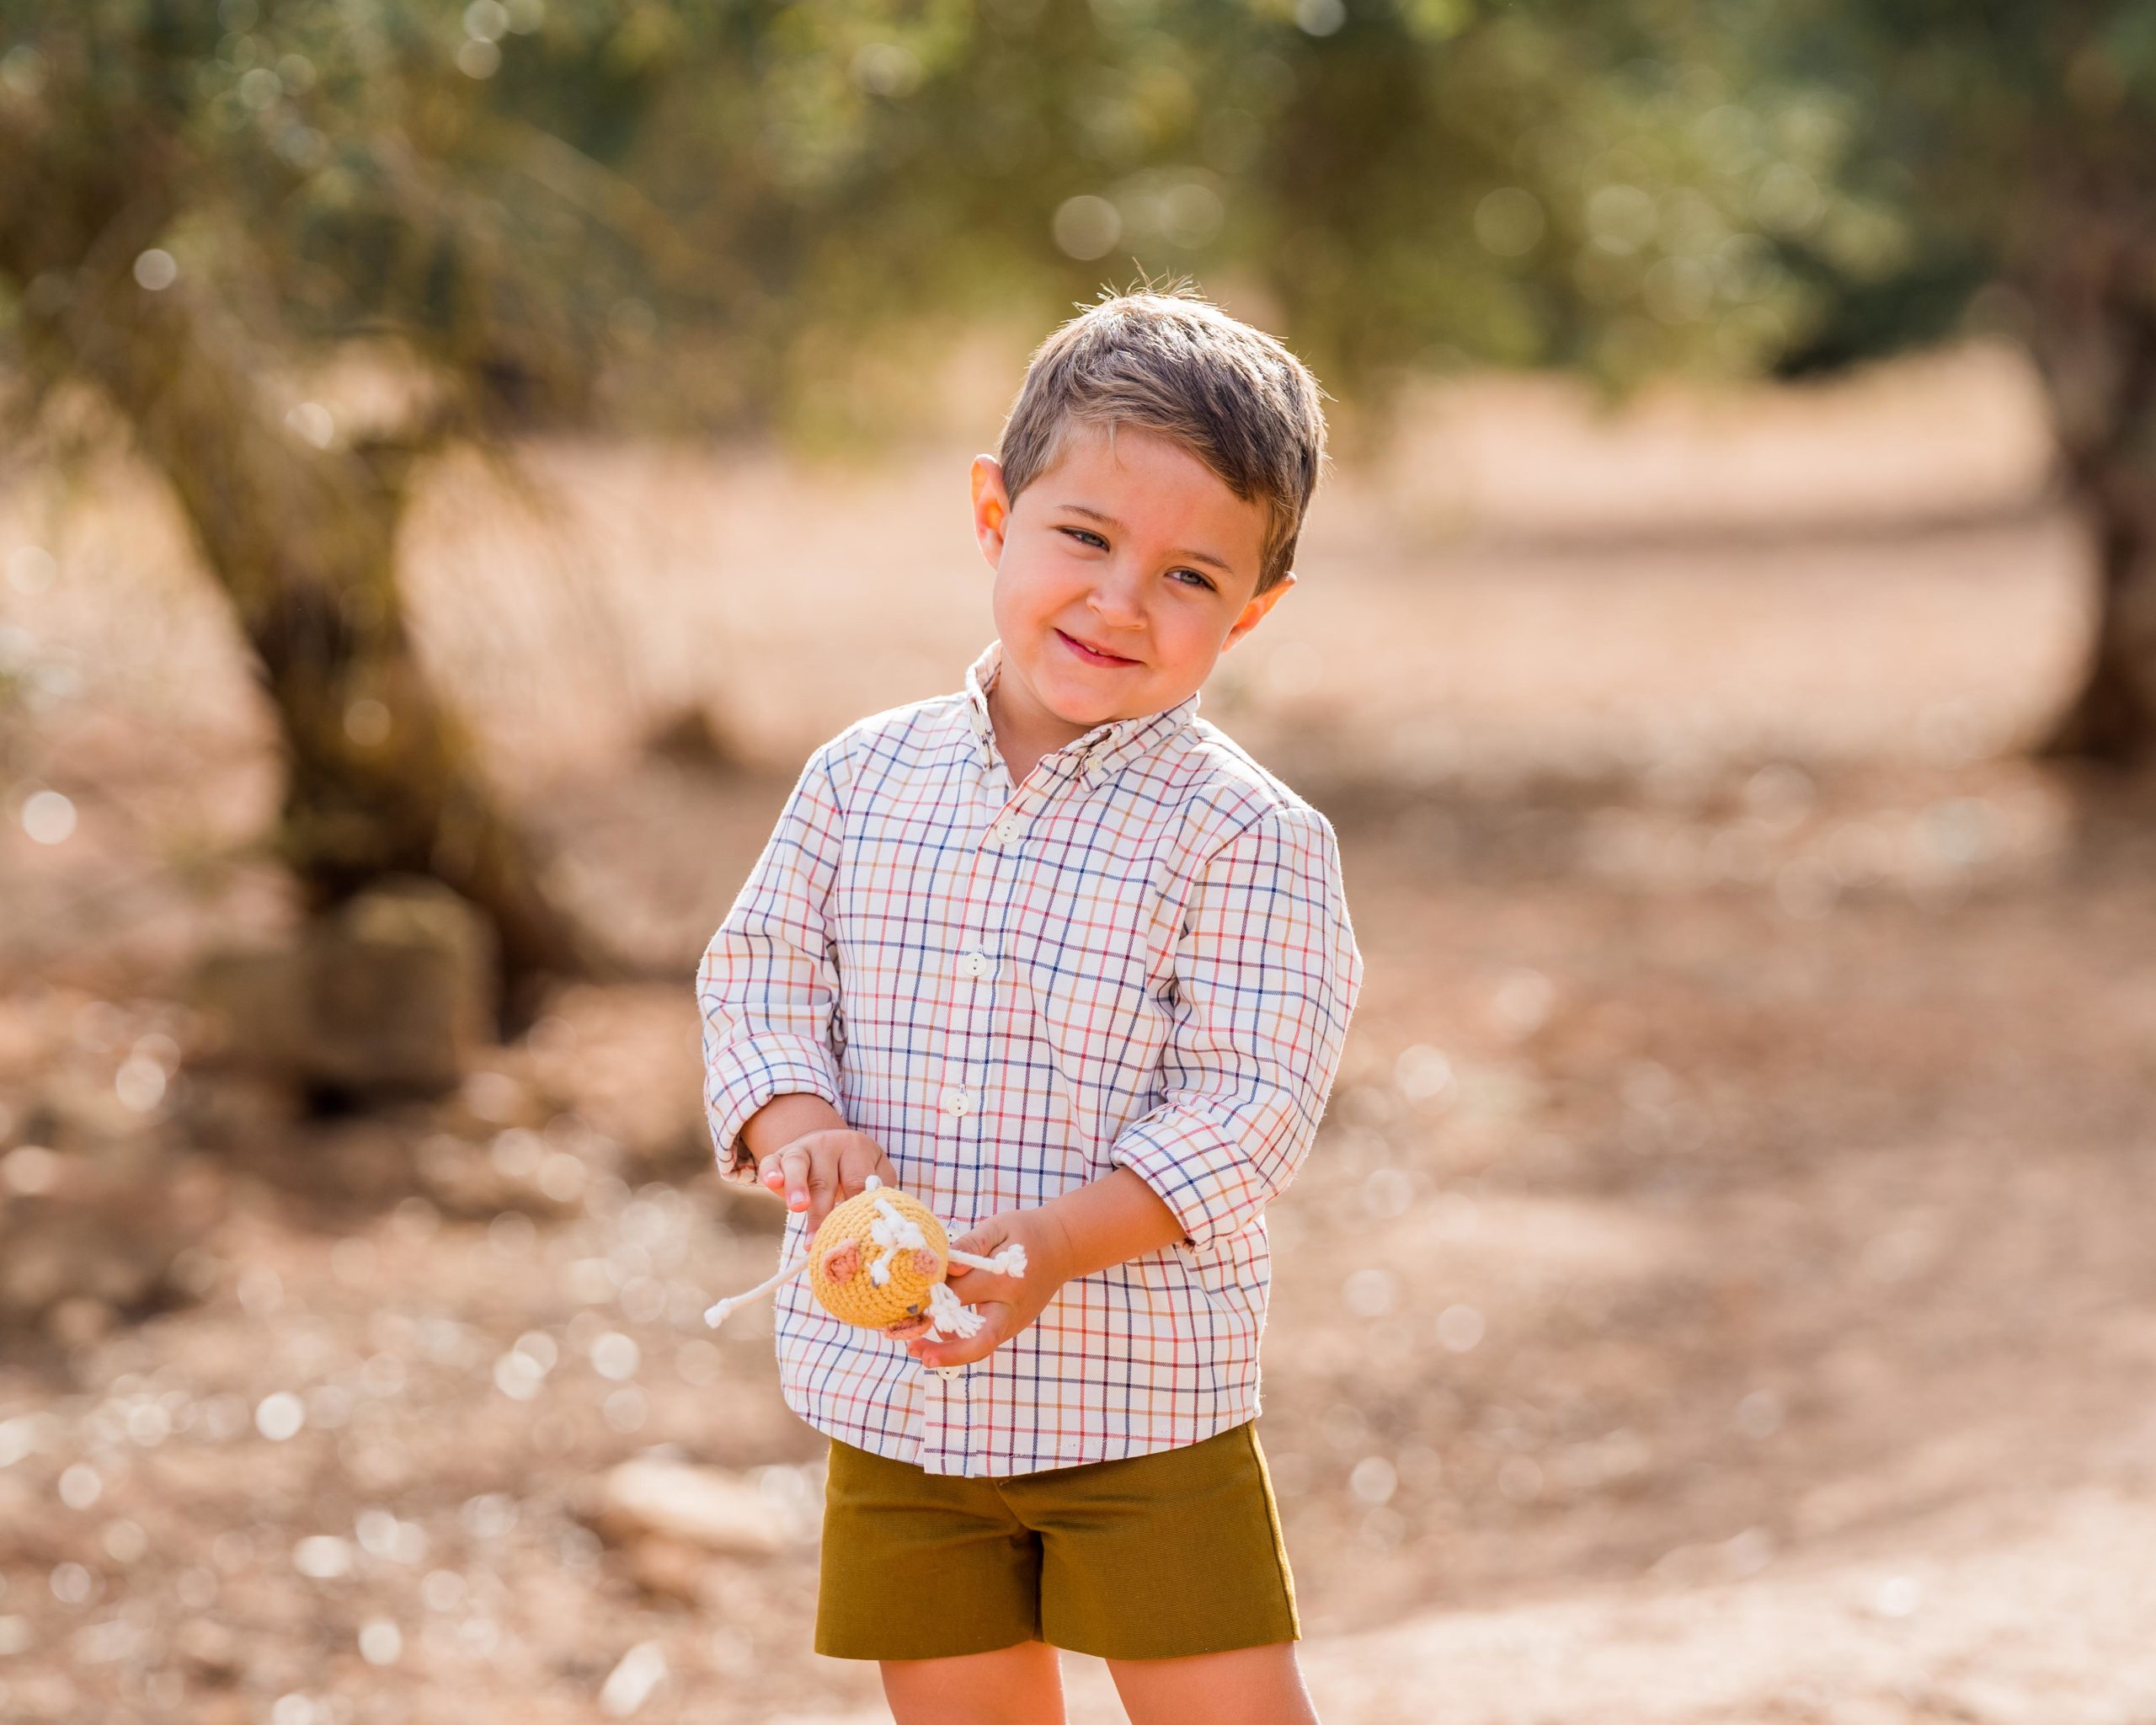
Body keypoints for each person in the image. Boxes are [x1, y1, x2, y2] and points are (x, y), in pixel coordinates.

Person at [696, 286, 1364, 1725]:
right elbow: (757, 977)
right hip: (901, 1393)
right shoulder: (861, 780)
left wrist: (1060, 1246)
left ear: (1254, 611)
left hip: (1139, 1398)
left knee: (1221, 1708)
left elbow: (1249, 1108)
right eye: (1087, 538)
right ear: (997, 512)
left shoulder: (1246, 837)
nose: (1123, 602)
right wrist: (794, 1114)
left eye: (1192, 577)